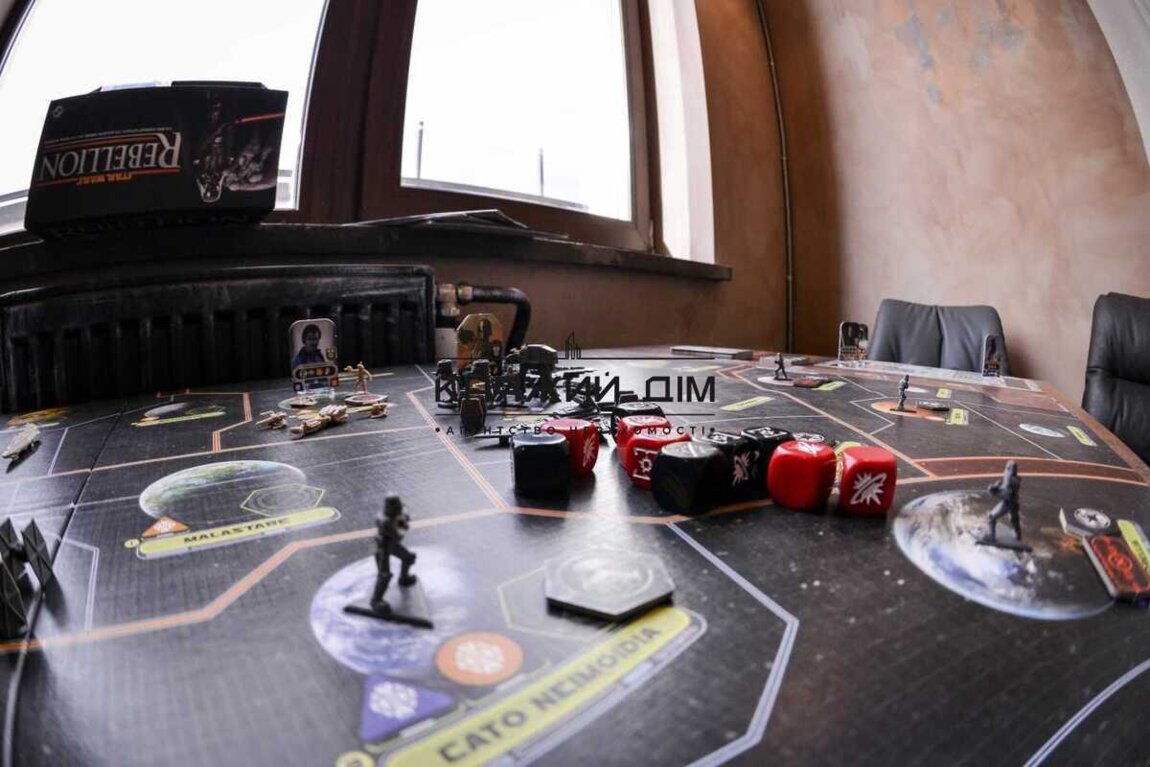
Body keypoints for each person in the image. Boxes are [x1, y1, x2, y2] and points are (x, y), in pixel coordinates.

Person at [370, 496, 417, 610]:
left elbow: (403, 526)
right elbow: (400, 530)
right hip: (383, 549)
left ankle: (404, 578)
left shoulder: (398, 515)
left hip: (393, 545)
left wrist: (403, 518)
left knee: (408, 558)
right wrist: (403, 519)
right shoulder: (384, 520)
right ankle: (376, 600)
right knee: (384, 576)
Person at [986, 461, 1023, 544]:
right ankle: (1018, 535)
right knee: (1014, 520)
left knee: (991, 517)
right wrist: (998, 487)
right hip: (1014, 502)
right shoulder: (1016, 478)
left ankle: (992, 537)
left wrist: (994, 490)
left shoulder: (1009, 478)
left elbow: (1006, 493)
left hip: (1008, 502)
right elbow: (1007, 488)